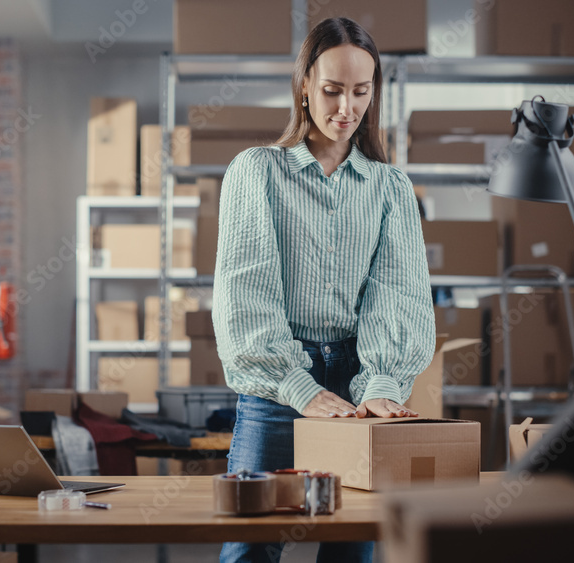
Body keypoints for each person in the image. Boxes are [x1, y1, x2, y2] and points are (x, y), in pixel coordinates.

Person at [212, 16, 436, 563]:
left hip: (359, 384)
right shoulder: (257, 173)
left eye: (362, 91)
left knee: (354, 546)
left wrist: (382, 382)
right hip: (275, 388)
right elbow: (246, 291)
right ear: (304, 88)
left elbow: (398, 290)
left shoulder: (391, 188)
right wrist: (298, 386)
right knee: (250, 546)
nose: (347, 108)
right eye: (332, 90)